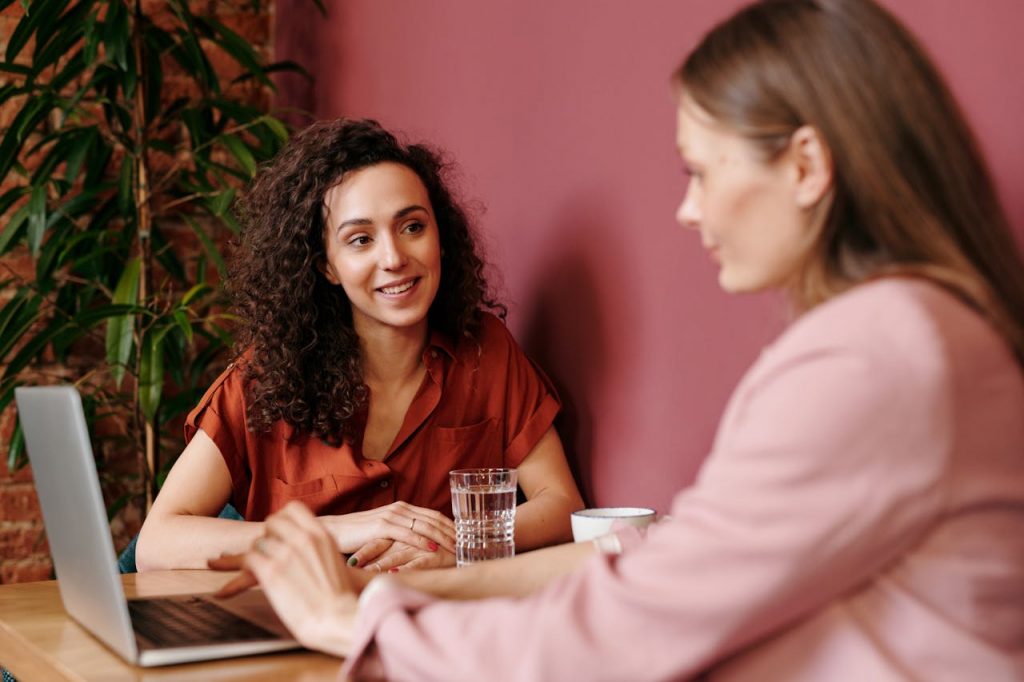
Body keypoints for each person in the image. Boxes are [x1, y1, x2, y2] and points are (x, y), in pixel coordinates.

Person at [210, 1, 1024, 679]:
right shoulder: (924, 333)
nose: (690, 210)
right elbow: (655, 568)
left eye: (701, 172)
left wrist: (361, 626)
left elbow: (632, 625)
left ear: (806, 165)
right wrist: (416, 593)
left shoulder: (873, 358)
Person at [136, 119, 584, 573]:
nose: (393, 258)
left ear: (440, 239)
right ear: (326, 266)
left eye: (412, 227)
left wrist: (453, 546)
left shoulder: (485, 352)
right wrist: (345, 529)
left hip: (425, 626)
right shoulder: (264, 378)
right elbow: (157, 542)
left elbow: (563, 504)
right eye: (360, 239)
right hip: (292, 633)